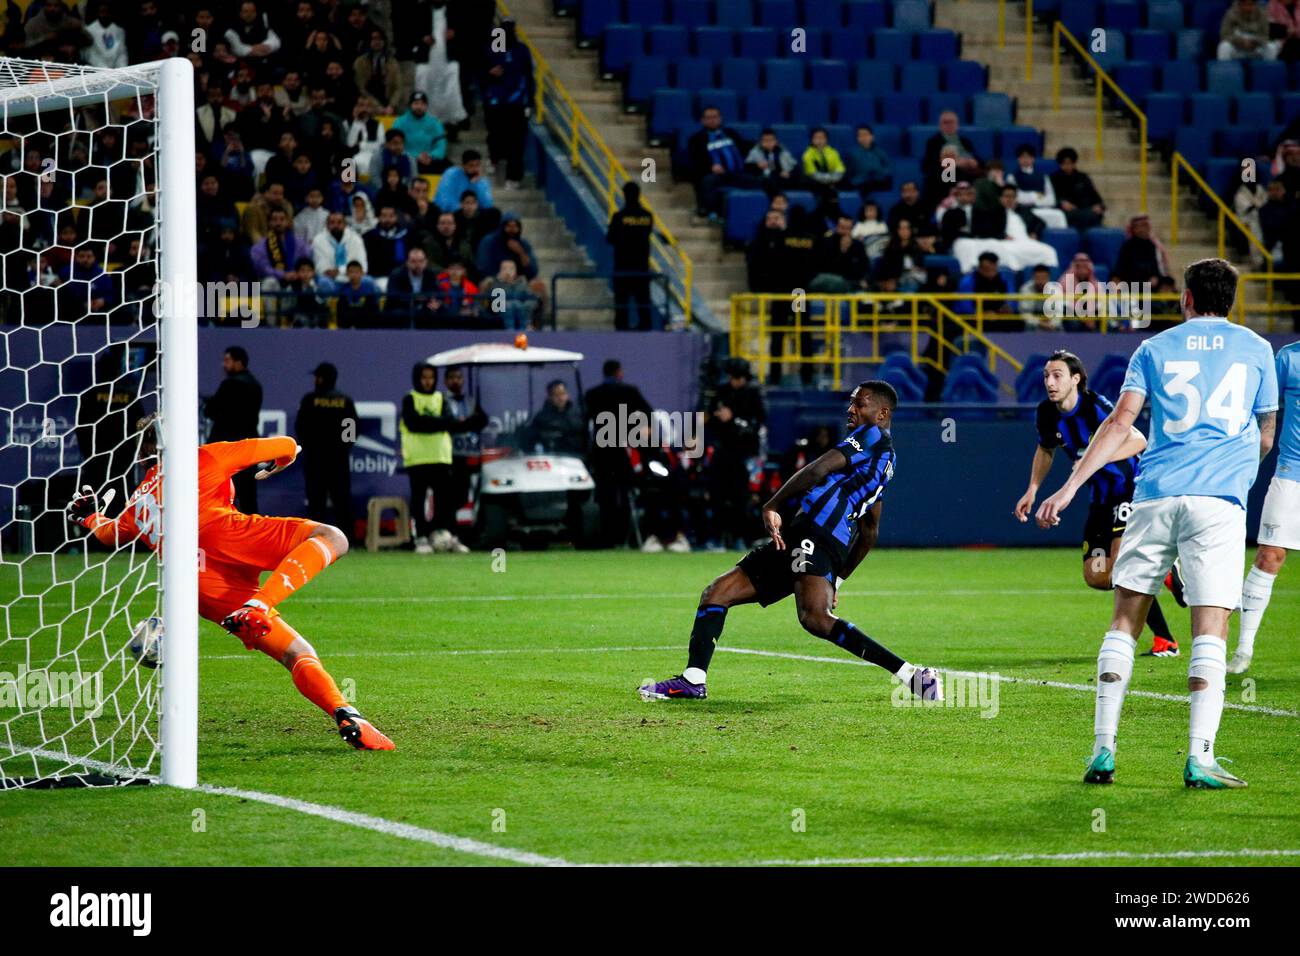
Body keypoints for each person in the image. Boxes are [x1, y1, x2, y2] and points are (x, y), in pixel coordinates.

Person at [1036, 258, 1278, 789]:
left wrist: (1070, 485)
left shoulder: (1154, 349)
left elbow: (1119, 423)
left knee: (1124, 619)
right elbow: (1265, 434)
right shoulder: (1258, 350)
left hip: (1153, 496)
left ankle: (1102, 752)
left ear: (1186, 299)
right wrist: (1237, 474)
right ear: (1230, 301)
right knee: (1209, 629)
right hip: (1218, 503)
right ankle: (1200, 758)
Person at [67, 424, 393, 750]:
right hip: (223, 535)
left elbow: (109, 534)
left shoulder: (137, 501)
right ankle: (260, 606)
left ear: (141, 455)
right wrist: (284, 459)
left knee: (297, 653)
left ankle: (346, 713)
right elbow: (287, 444)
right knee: (332, 537)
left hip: (197, 584)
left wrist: (89, 516)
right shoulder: (205, 456)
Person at [639, 381, 943, 704]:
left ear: (882, 413)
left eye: (861, 404)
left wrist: (771, 505)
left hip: (818, 534)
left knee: (815, 618)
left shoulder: (870, 437)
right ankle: (693, 680)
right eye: (851, 403)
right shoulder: (884, 461)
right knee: (716, 594)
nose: (851, 409)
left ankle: (913, 676)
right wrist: (838, 579)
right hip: (803, 537)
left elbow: (818, 469)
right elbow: (870, 532)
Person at [1014, 351, 1179, 655]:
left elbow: (1138, 441)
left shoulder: (1096, 407)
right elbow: (1046, 449)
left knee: (1123, 563)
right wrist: (1033, 489)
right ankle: (1163, 571)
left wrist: (1091, 460)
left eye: (1057, 375)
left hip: (1128, 489)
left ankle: (1164, 640)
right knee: (1098, 574)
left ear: (1075, 379)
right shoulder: (1046, 412)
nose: (1050, 382)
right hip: (1099, 498)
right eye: (1046, 376)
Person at [1225, 341, 1298, 672]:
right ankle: (1244, 650)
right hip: (1292, 471)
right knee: (1270, 556)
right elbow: (1261, 406)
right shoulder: (1289, 357)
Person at [401, 362, 472, 554]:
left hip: (440, 457)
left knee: (445, 501)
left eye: (431, 377)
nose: (427, 381)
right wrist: (437, 423)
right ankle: (421, 538)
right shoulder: (410, 399)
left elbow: (448, 422)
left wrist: (431, 423)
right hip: (417, 459)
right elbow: (413, 423)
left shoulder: (441, 398)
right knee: (419, 501)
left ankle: (448, 535)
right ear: (417, 378)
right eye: (424, 377)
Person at [585, 359, 654, 547]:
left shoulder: (592, 394)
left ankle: (608, 538)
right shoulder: (629, 392)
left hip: (601, 450)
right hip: (622, 449)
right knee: (624, 493)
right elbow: (647, 413)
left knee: (606, 496)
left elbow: (585, 420)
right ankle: (624, 537)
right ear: (618, 373)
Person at [295, 362, 357, 542]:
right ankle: (347, 540)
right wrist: (343, 448)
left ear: (320, 378)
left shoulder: (309, 400)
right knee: (342, 501)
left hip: (315, 460)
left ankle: (315, 541)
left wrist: (311, 447)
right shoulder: (344, 401)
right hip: (339, 460)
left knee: (316, 501)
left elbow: (301, 427)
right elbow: (352, 428)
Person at [203, 346, 263, 514]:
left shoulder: (230, 384)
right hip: (249, 448)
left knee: (219, 497)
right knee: (248, 498)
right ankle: (254, 535)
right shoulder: (256, 385)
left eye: (227, 361)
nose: (224, 364)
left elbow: (211, 411)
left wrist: (210, 404)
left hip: (226, 450)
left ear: (239, 362)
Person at [481, 17, 535, 190]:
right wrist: (489, 73)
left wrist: (530, 103)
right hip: (497, 101)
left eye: (510, 29)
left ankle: (513, 177)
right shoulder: (497, 45)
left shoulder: (521, 50)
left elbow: (529, 77)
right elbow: (485, 67)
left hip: (516, 102)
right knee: (496, 133)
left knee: (516, 142)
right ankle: (494, 157)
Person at [442, 365, 488, 549]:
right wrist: (466, 424)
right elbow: (449, 424)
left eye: (459, 377)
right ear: (445, 381)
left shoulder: (470, 400)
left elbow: (482, 420)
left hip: (471, 454)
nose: (456, 381)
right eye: (452, 377)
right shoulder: (442, 400)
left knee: (466, 496)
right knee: (451, 497)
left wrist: (466, 423)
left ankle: (468, 534)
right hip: (451, 454)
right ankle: (451, 533)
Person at [605, 182, 656, 330]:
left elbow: (610, 238)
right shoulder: (648, 217)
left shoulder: (619, 217)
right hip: (641, 269)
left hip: (623, 268)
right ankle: (645, 331)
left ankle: (622, 332)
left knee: (622, 307)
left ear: (624, 195)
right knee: (643, 305)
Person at [686, 105, 753, 218]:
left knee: (760, 182)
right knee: (708, 182)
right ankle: (710, 211)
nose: (712, 120)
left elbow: (744, 148)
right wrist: (710, 167)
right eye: (709, 117)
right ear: (703, 120)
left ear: (720, 118)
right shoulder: (696, 139)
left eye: (715, 117)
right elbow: (694, 161)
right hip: (715, 174)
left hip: (737, 173)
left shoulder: (731, 133)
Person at [521, 379, 587, 455]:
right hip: (552, 458)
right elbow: (531, 440)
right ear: (549, 397)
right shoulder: (542, 417)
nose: (560, 398)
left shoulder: (579, 415)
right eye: (556, 395)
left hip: (577, 458)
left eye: (563, 394)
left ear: (568, 395)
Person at [390, 91, 449, 174]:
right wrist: (416, 156)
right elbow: (394, 146)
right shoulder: (399, 122)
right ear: (410, 105)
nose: (419, 107)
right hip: (407, 159)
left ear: (426, 106)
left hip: (430, 159)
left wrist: (431, 155)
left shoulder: (435, 123)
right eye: (416, 104)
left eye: (422, 104)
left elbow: (441, 146)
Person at [1050, 148, 1106, 232]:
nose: (1068, 166)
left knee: (1091, 215)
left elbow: (1096, 197)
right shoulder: (1054, 179)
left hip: (1086, 210)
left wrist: (1099, 206)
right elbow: (1051, 198)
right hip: (1067, 212)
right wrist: (1061, 203)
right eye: (1064, 163)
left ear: (1074, 163)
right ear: (1060, 164)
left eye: (1070, 163)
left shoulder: (1083, 177)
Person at [1113, 214, 1172, 286]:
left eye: (1145, 226)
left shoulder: (1152, 246)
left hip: (1150, 285)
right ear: (1134, 229)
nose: (1142, 229)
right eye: (1138, 227)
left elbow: (1158, 269)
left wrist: (1156, 277)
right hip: (1132, 284)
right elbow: (1120, 269)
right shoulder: (1128, 246)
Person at [312, 210, 367, 283]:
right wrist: (345, 271)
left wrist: (340, 271)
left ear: (345, 224)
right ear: (327, 225)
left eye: (339, 222)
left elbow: (362, 265)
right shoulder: (318, 240)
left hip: (353, 278)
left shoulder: (355, 239)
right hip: (329, 279)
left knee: (368, 282)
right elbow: (321, 267)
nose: (336, 226)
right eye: (332, 223)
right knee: (323, 282)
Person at [744, 128, 799, 194]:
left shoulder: (783, 151)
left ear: (776, 141)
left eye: (771, 140)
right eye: (765, 140)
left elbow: (796, 167)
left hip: (783, 179)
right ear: (760, 142)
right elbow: (747, 167)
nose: (768, 143)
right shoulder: (755, 151)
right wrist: (757, 165)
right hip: (764, 180)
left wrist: (789, 173)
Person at [844, 125, 892, 195]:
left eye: (866, 135)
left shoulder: (881, 152)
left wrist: (879, 172)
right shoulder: (851, 153)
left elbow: (888, 167)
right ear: (857, 138)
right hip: (860, 183)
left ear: (872, 137)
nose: (864, 138)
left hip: (877, 181)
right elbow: (848, 172)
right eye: (860, 135)